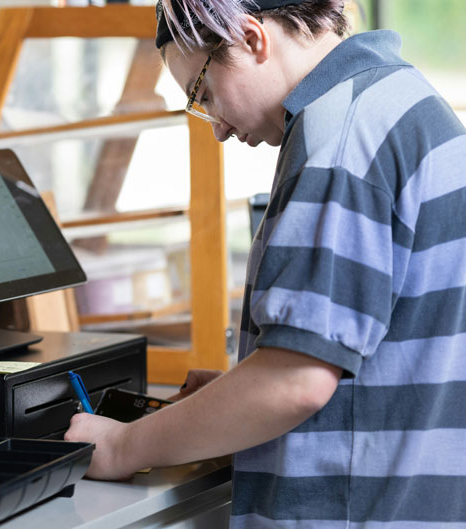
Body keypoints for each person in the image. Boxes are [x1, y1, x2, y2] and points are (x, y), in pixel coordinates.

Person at [65, 0, 466, 526]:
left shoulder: (339, 140)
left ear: (253, 39)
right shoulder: (402, 101)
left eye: (203, 93)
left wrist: (123, 446)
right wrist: (234, 397)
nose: (216, 128)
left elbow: (294, 382)